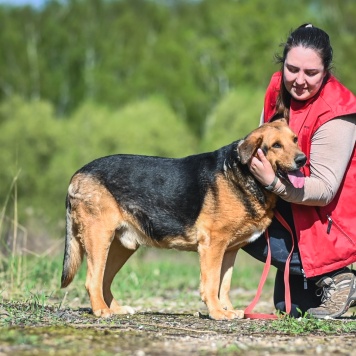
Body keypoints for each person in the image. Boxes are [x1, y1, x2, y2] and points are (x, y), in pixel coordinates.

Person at [242, 23, 356, 318]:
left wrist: (272, 184)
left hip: (329, 218)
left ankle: (336, 277)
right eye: (292, 69)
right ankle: (326, 280)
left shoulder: (337, 111)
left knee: (248, 229)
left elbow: (324, 190)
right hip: (293, 208)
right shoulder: (277, 87)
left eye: (311, 73)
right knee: (290, 307)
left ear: (327, 70)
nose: (299, 80)